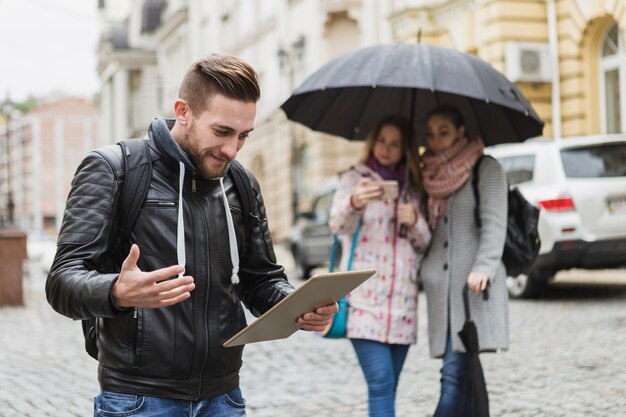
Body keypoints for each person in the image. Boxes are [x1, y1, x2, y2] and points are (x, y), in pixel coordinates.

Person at [45, 54, 337, 417]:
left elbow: (261, 278)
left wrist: (296, 305)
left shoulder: (241, 182)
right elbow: (61, 282)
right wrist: (116, 291)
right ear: (183, 111)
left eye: (243, 135)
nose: (232, 149)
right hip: (138, 400)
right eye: (222, 132)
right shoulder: (114, 169)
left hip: (224, 397)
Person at [328, 115, 431, 417]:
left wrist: (415, 221)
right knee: (381, 383)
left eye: (395, 143)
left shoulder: (413, 188)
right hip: (365, 302)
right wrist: (355, 202)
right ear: (373, 142)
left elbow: (426, 243)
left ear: (405, 148)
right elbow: (337, 226)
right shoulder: (353, 178)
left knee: (390, 386)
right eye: (382, 141)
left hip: (403, 305)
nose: (386, 149)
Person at [419, 105, 509, 417]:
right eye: (430, 134)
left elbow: (495, 223)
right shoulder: (427, 173)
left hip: (470, 289)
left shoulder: (485, 167)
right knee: (464, 374)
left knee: (453, 376)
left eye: (444, 132)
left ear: (460, 131)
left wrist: (484, 267)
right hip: (440, 292)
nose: (436, 140)